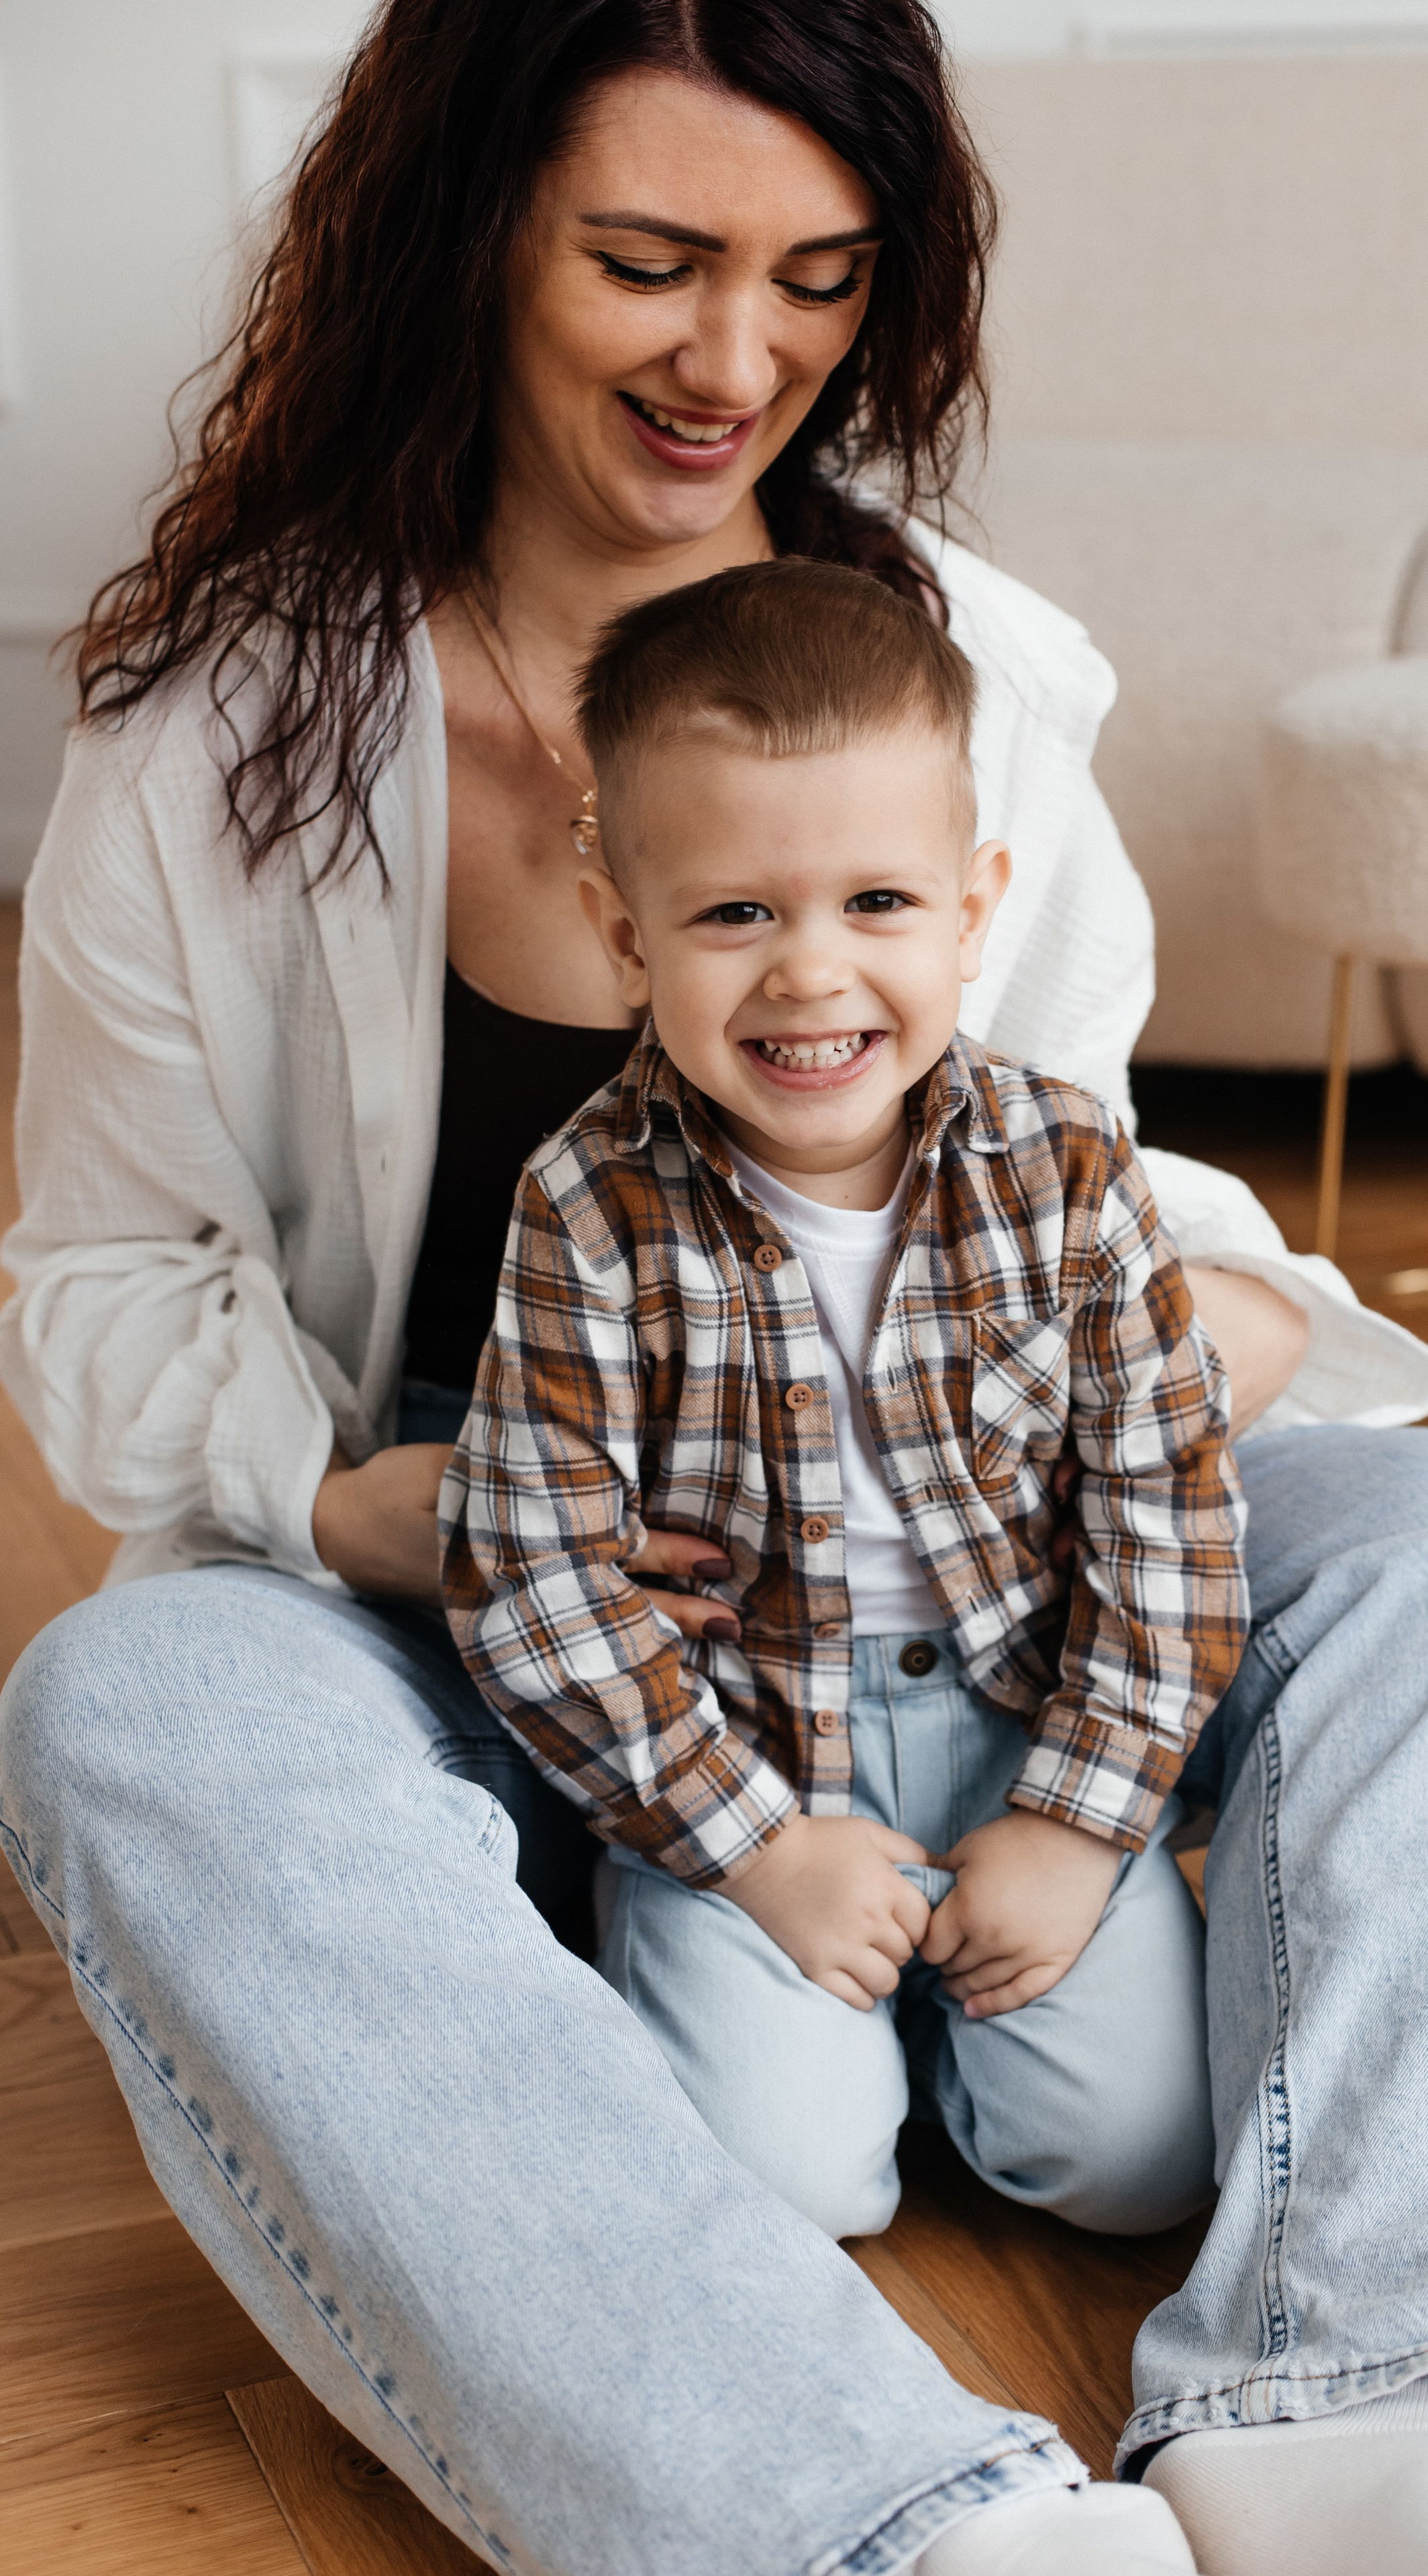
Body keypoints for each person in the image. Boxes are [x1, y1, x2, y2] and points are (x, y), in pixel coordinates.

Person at [0, 3, 1428, 2572]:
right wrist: (383, 1513)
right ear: (470, 239)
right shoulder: (219, 727)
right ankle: (884, 2525)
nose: (737, 360)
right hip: (500, 1602)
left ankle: (1363, 2411)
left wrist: (1197, 1340)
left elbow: (1088, 1171)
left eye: (816, 276)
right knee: (124, 1704)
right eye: (650, 262)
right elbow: (106, 1277)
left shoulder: (981, 674)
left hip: (984, 1582)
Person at [441, 559, 1250, 2255]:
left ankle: (947, 2022)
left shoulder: (1066, 1172)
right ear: (623, 933)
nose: (811, 976)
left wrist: (1078, 1817)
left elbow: (1167, 1526)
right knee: (786, 2191)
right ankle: (750, 1983)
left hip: (1016, 1722)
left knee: (1137, 2167)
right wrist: (753, 1852)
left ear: (973, 909)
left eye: (877, 903)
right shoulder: (586, 1204)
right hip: (736, 1747)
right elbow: (533, 1576)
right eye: (736, 914)